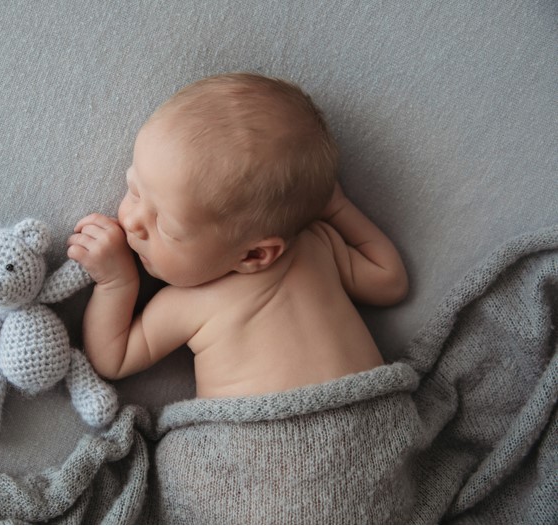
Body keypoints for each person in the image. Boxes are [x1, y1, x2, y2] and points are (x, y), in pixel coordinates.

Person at [67, 73, 408, 398]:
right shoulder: (320, 245)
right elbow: (389, 279)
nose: (133, 222)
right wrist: (338, 208)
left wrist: (116, 283)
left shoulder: (190, 302)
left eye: (168, 228)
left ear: (254, 256)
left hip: (258, 446)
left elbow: (112, 359)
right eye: (135, 190)